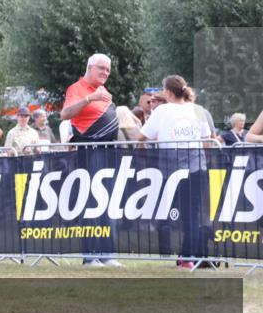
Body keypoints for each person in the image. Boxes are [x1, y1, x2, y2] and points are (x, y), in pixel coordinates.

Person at [139, 75, 214, 269]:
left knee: (173, 214)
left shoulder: (162, 110)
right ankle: (189, 256)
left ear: (169, 92)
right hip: (197, 167)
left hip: (170, 171)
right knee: (192, 214)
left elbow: (142, 136)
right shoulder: (198, 110)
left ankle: (186, 256)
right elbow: (208, 140)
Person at [61, 53, 121, 267]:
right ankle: (90, 255)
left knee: (108, 202)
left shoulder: (104, 91)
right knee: (91, 202)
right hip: (89, 152)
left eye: (108, 69)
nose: (105, 73)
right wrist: (89, 99)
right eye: (101, 68)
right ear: (89, 67)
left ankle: (108, 254)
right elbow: (65, 114)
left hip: (108, 152)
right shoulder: (76, 89)